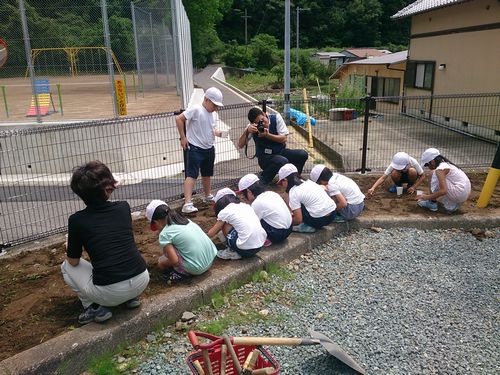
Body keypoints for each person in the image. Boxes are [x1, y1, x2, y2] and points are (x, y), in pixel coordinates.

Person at [61, 161, 149, 325]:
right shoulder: (123, 207)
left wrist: (70, 246)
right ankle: (130, 299)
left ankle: (94, 307)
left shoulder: (77, 220)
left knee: (66, 266)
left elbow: (73, 261)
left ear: (80, 192)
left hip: (111, 292)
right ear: (107, 189)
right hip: (141, 279)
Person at [176, 87, 225, 214]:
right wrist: (183, 137)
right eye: (214, 104)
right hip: (195, 148)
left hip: (208, 147)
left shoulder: (212, 114)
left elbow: (211, 129)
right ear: (206, 99)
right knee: (191, 174)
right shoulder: (196, 109)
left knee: (207, 174)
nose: (216, 108)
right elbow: (179, 118)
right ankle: (187, 203)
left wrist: (219, 133)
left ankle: (207, 195)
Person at [145, 199, 217, 282]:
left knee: (163, 259)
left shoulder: (165, 234)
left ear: (156, 222)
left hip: (196, 268)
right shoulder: (186, 221)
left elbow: (175, 261)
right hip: (210, 260)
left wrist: (162, 264)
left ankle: (180, 273)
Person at [238, 107, 309, 185]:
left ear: (264, 114)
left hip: (280, 152)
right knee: (281, 160)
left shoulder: (276, 118)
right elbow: (240, 145)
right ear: (253, 123)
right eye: (258, 123)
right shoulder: (252, 127)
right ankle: (263, 180)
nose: (262, 124)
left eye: (262, 120)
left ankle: (294, 177)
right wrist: (247, 131)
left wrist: (267, 135)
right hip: (265, 158)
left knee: (302, 154)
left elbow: (284, 138)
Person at [207, 187, 267, 260]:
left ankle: (232, 251)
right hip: (259, 246)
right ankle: (239, 248)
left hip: (245, 250)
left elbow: (211, 233)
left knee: (224, 225)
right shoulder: (245, 206)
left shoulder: (225, 211)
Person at [277, 163, 337, 233]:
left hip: (319, 220)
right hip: (333, 214)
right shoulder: (309, 182)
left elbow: (298, 219)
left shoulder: (294, 192)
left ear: (285, 180)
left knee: (296, 207)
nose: (282, 186)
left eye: (280, 183)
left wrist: (285, 223)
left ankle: (306, 226)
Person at [237, 173, 293, 246]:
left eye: (243, 195)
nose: (243, 198)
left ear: (249, 192)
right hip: (289, 229)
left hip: (278, 234)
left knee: (252, 223)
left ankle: (266, 239)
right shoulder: (271, 193)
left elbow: (251, 224)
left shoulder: (257, 203)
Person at [417, 148, 471, 213]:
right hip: (465, 193)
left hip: (459, 193)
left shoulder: (440, 170)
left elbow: (443, 191)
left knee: (432, 173)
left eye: (427, 165)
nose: (427, 167)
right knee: (440, 179)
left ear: (432, 162)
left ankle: (432, 202)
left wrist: (427, 197)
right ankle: (452, 204)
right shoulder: (446, 164)